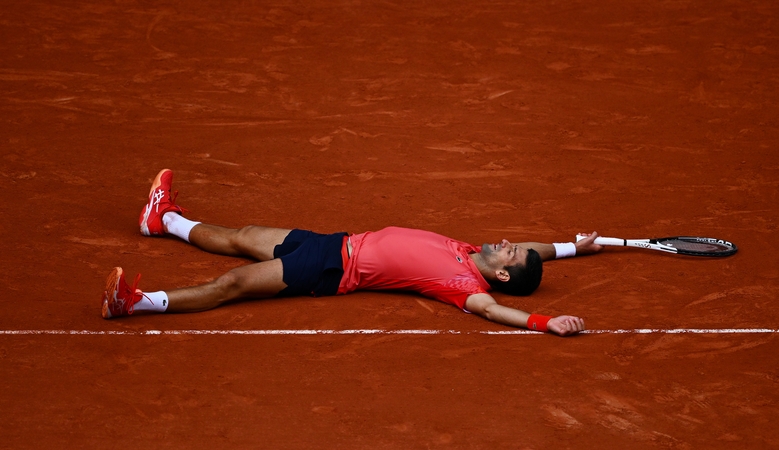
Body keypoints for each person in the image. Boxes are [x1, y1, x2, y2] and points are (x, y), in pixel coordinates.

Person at [101, 169, 603, 336]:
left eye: (511, 254)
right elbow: (534, 252)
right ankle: (162, 220)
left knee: (230, 285)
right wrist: (574, 247)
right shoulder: (472, 252)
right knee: (242, 234)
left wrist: (545, 322)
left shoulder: (464, 285)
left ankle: (136, 303)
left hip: (329, 268)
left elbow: (494, 311)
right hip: (332, 241)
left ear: (504, 276)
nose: (510, 243)